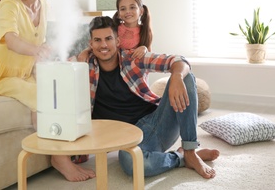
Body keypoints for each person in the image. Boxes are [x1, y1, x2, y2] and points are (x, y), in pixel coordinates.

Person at [0, 0, 96, 182]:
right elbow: (11, 39)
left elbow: (40, 51)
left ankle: (69, 150)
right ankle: (59, 159)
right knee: (42, 97)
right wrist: (37, 50)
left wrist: (56, 63)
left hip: (24, 71)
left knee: (61, 89)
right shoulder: (9, 3)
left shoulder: (43, 6)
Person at [52, 15, 219, 181]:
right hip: (128, 139)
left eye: (108, 38)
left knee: (186, 76)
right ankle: (182, 158)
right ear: (91, 44)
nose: (103, 45)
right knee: (132, 162)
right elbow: (55, 70)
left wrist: (176, 76)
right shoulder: (83, 64)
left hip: (156, 123)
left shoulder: (133, 58)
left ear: (117, 41)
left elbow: (178, 60)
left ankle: (190, 150)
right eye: (97, 40)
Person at [77, 0, 153, 61]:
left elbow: (149, 59)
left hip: (134, 71)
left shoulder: (145, 31)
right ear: (119, 13)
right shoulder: (115, 28)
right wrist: (85, 51)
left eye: (132, 7)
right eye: (123, 9)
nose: (128, 11)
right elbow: (100, 44)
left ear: (141, 11)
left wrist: (144, 49)